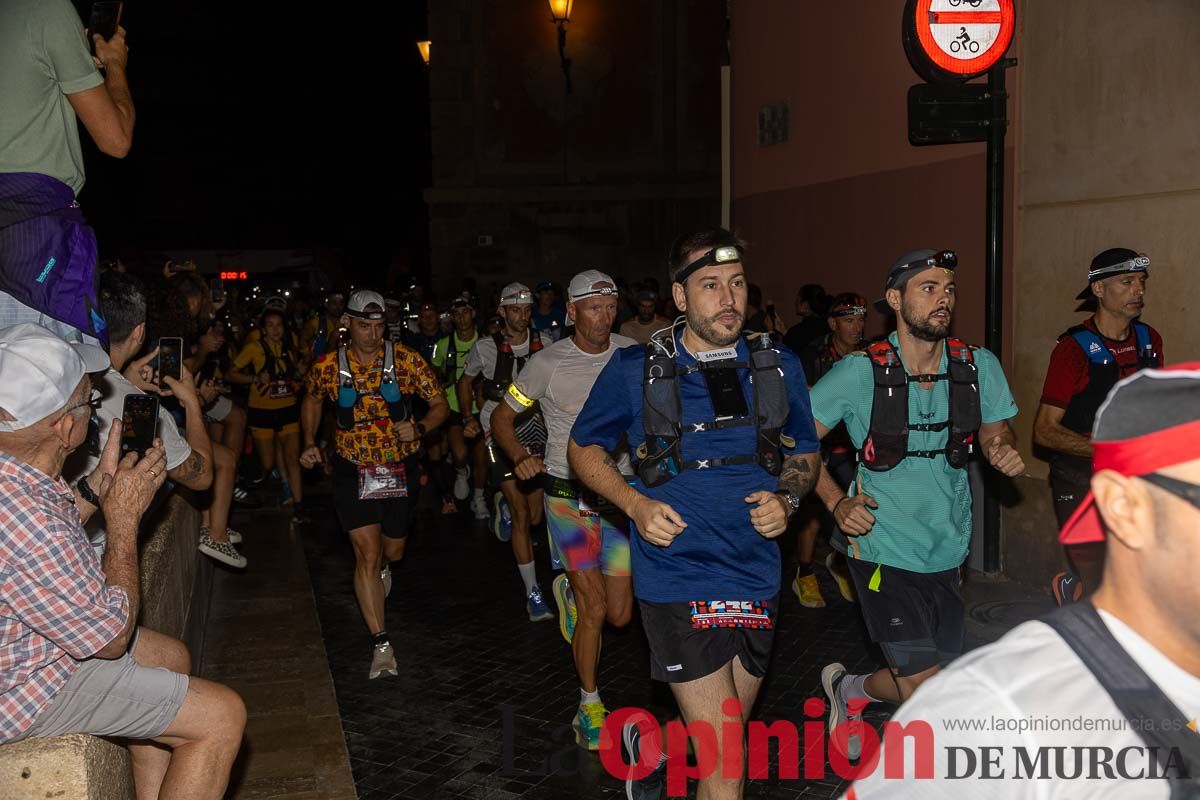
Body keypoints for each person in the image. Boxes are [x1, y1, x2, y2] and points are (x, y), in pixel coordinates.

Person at [847, 363, 1200, 798]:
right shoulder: (998, 713)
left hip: (939, 557)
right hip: (890, 553)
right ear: (1125, 509)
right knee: (921, 678)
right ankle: (852, 689)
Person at [570, 229, 821, 798]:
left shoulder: (778, 364)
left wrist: (787, 499)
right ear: (681, 298)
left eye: (736, 284)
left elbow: (804, 449)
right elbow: (582, 448)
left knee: (719, 754)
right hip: (678, 572)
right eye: (710, 285)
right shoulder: (636, 368)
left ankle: (653, 750)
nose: (728, 298)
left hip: (756, 572)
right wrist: (633, 503)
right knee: (728, 761)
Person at [0, 323, 245, 799]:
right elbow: (110, 638)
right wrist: (125, 519)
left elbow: (41, 533)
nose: (94, 412)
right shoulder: (26, 515)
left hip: (24, 646)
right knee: (221, 715)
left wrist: (98, 486)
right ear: (65, 427)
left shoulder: (18, 475)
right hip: (18, 690)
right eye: (88, 403)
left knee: (170, 657)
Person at [808, 249, 1024, 762]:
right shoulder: (858, 373)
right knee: (928, 694)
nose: (942, 297)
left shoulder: (978, 366)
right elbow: (795, 443)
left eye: (948, 288)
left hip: (947, 545)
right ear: (895, 299)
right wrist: (837, 504)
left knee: (931, 671)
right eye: (927, 288)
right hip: (880, 546)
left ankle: (850, 690)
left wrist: (998, 447)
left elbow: (997, 427)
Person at [492, 270, 637, 750]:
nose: (603, 317)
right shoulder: (546, 363)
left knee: (619, 614)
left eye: (610, 307)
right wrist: (519, 456)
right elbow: (503, 416)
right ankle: (589, 706)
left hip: (618, 501)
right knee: (595, 607)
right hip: (565, 498)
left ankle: (571, 597)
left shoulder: (631, 354)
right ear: (571, 312)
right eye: (593, 308)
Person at [301, 290, 447, 679]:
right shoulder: (329, 366)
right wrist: (309, 442)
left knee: (392, 552)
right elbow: (313, 399)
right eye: (364, 325)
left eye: (379, 325)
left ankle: (385, 566)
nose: (372, 333)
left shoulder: (406, 361)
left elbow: (440, 406)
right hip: (352, 467)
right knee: (365, 553)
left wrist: (417, 427)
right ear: (347, 324)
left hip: (398, 467)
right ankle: (382, 644)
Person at [65, 272, 253, 570]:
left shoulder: (66, 373)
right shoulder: (143, 411)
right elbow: (202, 475)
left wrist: (124, 382)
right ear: (139, 332)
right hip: (94, 554)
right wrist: (192, 401)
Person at [0, 0, 135, 343]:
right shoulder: (46, 9)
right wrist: (115, 64)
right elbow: (115, 139)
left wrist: (76, 60)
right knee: (59, 381)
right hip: (31, 229)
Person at [1034, 247, 1162, 606]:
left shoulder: (1149, 340)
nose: (1139, 290)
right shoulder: (1073, 349)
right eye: (1127, 281)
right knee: (1099, 588)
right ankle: (1077, 597)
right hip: (1078, 478)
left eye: (1141, 282)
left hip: (1131, 479)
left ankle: (1074, 591)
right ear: (1100, 290)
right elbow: (1044, 431)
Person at [459, 283, 552, 617]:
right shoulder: (485, 347)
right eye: (515, 310)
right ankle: (533, 593)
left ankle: (502, 504)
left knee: (537, 514)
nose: (522, 316)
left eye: (527, 310)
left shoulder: (548, 345)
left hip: (538, 429)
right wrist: (468, 416)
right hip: (499, 430)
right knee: (523, 517)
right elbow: (464, 382)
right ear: (502, 311)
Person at [791, 292, 867, 608]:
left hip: (852, 449)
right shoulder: (812, 356)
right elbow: (798, 403)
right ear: (833, 323)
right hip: (818, 447)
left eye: (861, 320)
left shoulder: (869, 355)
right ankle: (804, 574)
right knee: (811, 516)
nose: (857, 327)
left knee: (856, 510)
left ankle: (839, 564)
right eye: (849, 320)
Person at [228, 306, 307, 518]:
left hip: (288, 408)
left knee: (293, 458)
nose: (275, 330)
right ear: (263, 329)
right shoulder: (254, 348)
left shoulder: (290, 347)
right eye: (270, 325)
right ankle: (278, 480)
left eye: (279, 325)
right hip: (261, 411)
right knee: (268, 462)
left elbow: (297, 373)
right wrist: (254, 378)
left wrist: (299, 380)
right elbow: (231, 374)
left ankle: (298, 506)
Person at [431, 299, 487, 517]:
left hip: (481, 407)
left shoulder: (485, 343)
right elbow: (434, 372)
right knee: (460, 453)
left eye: (466, 312)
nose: (462, 318)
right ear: (452, 318)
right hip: (454, 406)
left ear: (473, 314)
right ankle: (461, 471)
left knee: (481, 457)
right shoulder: (443, 345)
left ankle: (479, 498)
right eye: (457, 314)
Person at [782, 283, 829, 355]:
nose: (795, 302)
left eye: (798, 299)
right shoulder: (830, 325)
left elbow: (786, 353)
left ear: (805, 305)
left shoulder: (798, 332)